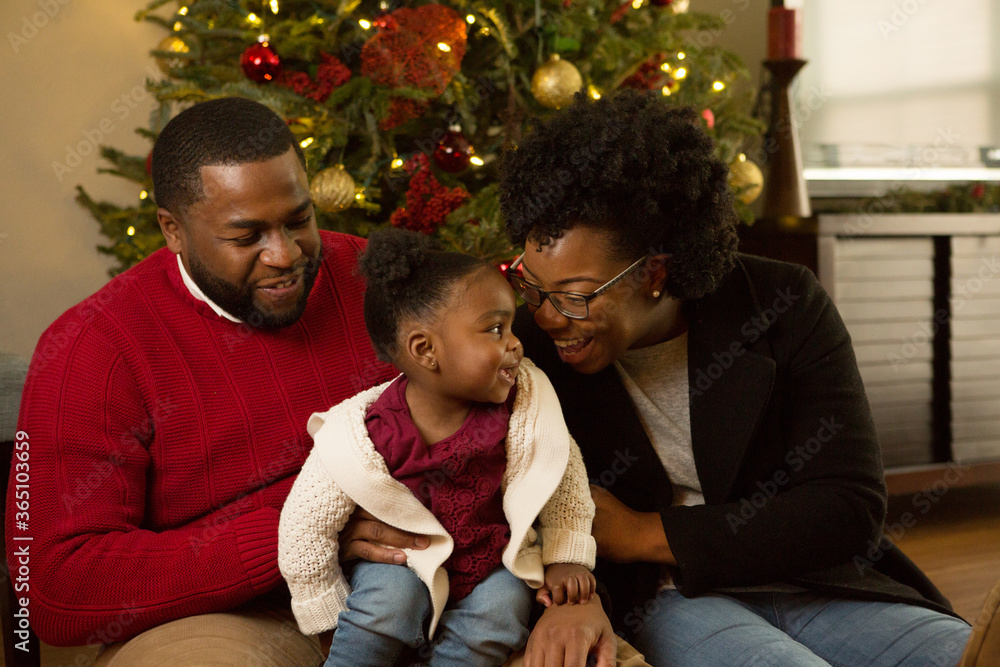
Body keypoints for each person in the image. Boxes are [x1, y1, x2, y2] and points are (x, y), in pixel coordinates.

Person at [7, 96, 633, 666]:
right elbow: (53, 581)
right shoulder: (92, 347)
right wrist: (305, 527)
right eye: (246, 236)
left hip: (448, 584)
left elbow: (526, 433)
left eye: (297, 219)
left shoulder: (386, 289)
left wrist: (573, 585)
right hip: (227, 619)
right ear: (173, 230)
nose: (284, 254)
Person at [496, 89, 987, 666]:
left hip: (816, 581)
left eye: (576, 297)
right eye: (531, 283)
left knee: (966, 656)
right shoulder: (522, 349)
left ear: (655, 271)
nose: (548, 316)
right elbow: (492, 504)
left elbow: (848, 507)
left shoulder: (782, 304)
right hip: (664, 599)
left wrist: (640, 533)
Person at [279, 228, 598, 666]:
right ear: (425, 350)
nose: (516, 343)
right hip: (403, 562)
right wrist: (327, 616)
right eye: (495, 329)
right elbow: (305, 525)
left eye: (511, 326)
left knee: (501, 611)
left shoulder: (522, 406)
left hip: (491, 559)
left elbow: (562, 475)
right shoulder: (364, 435)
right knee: (388, 601)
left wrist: (566, 557)